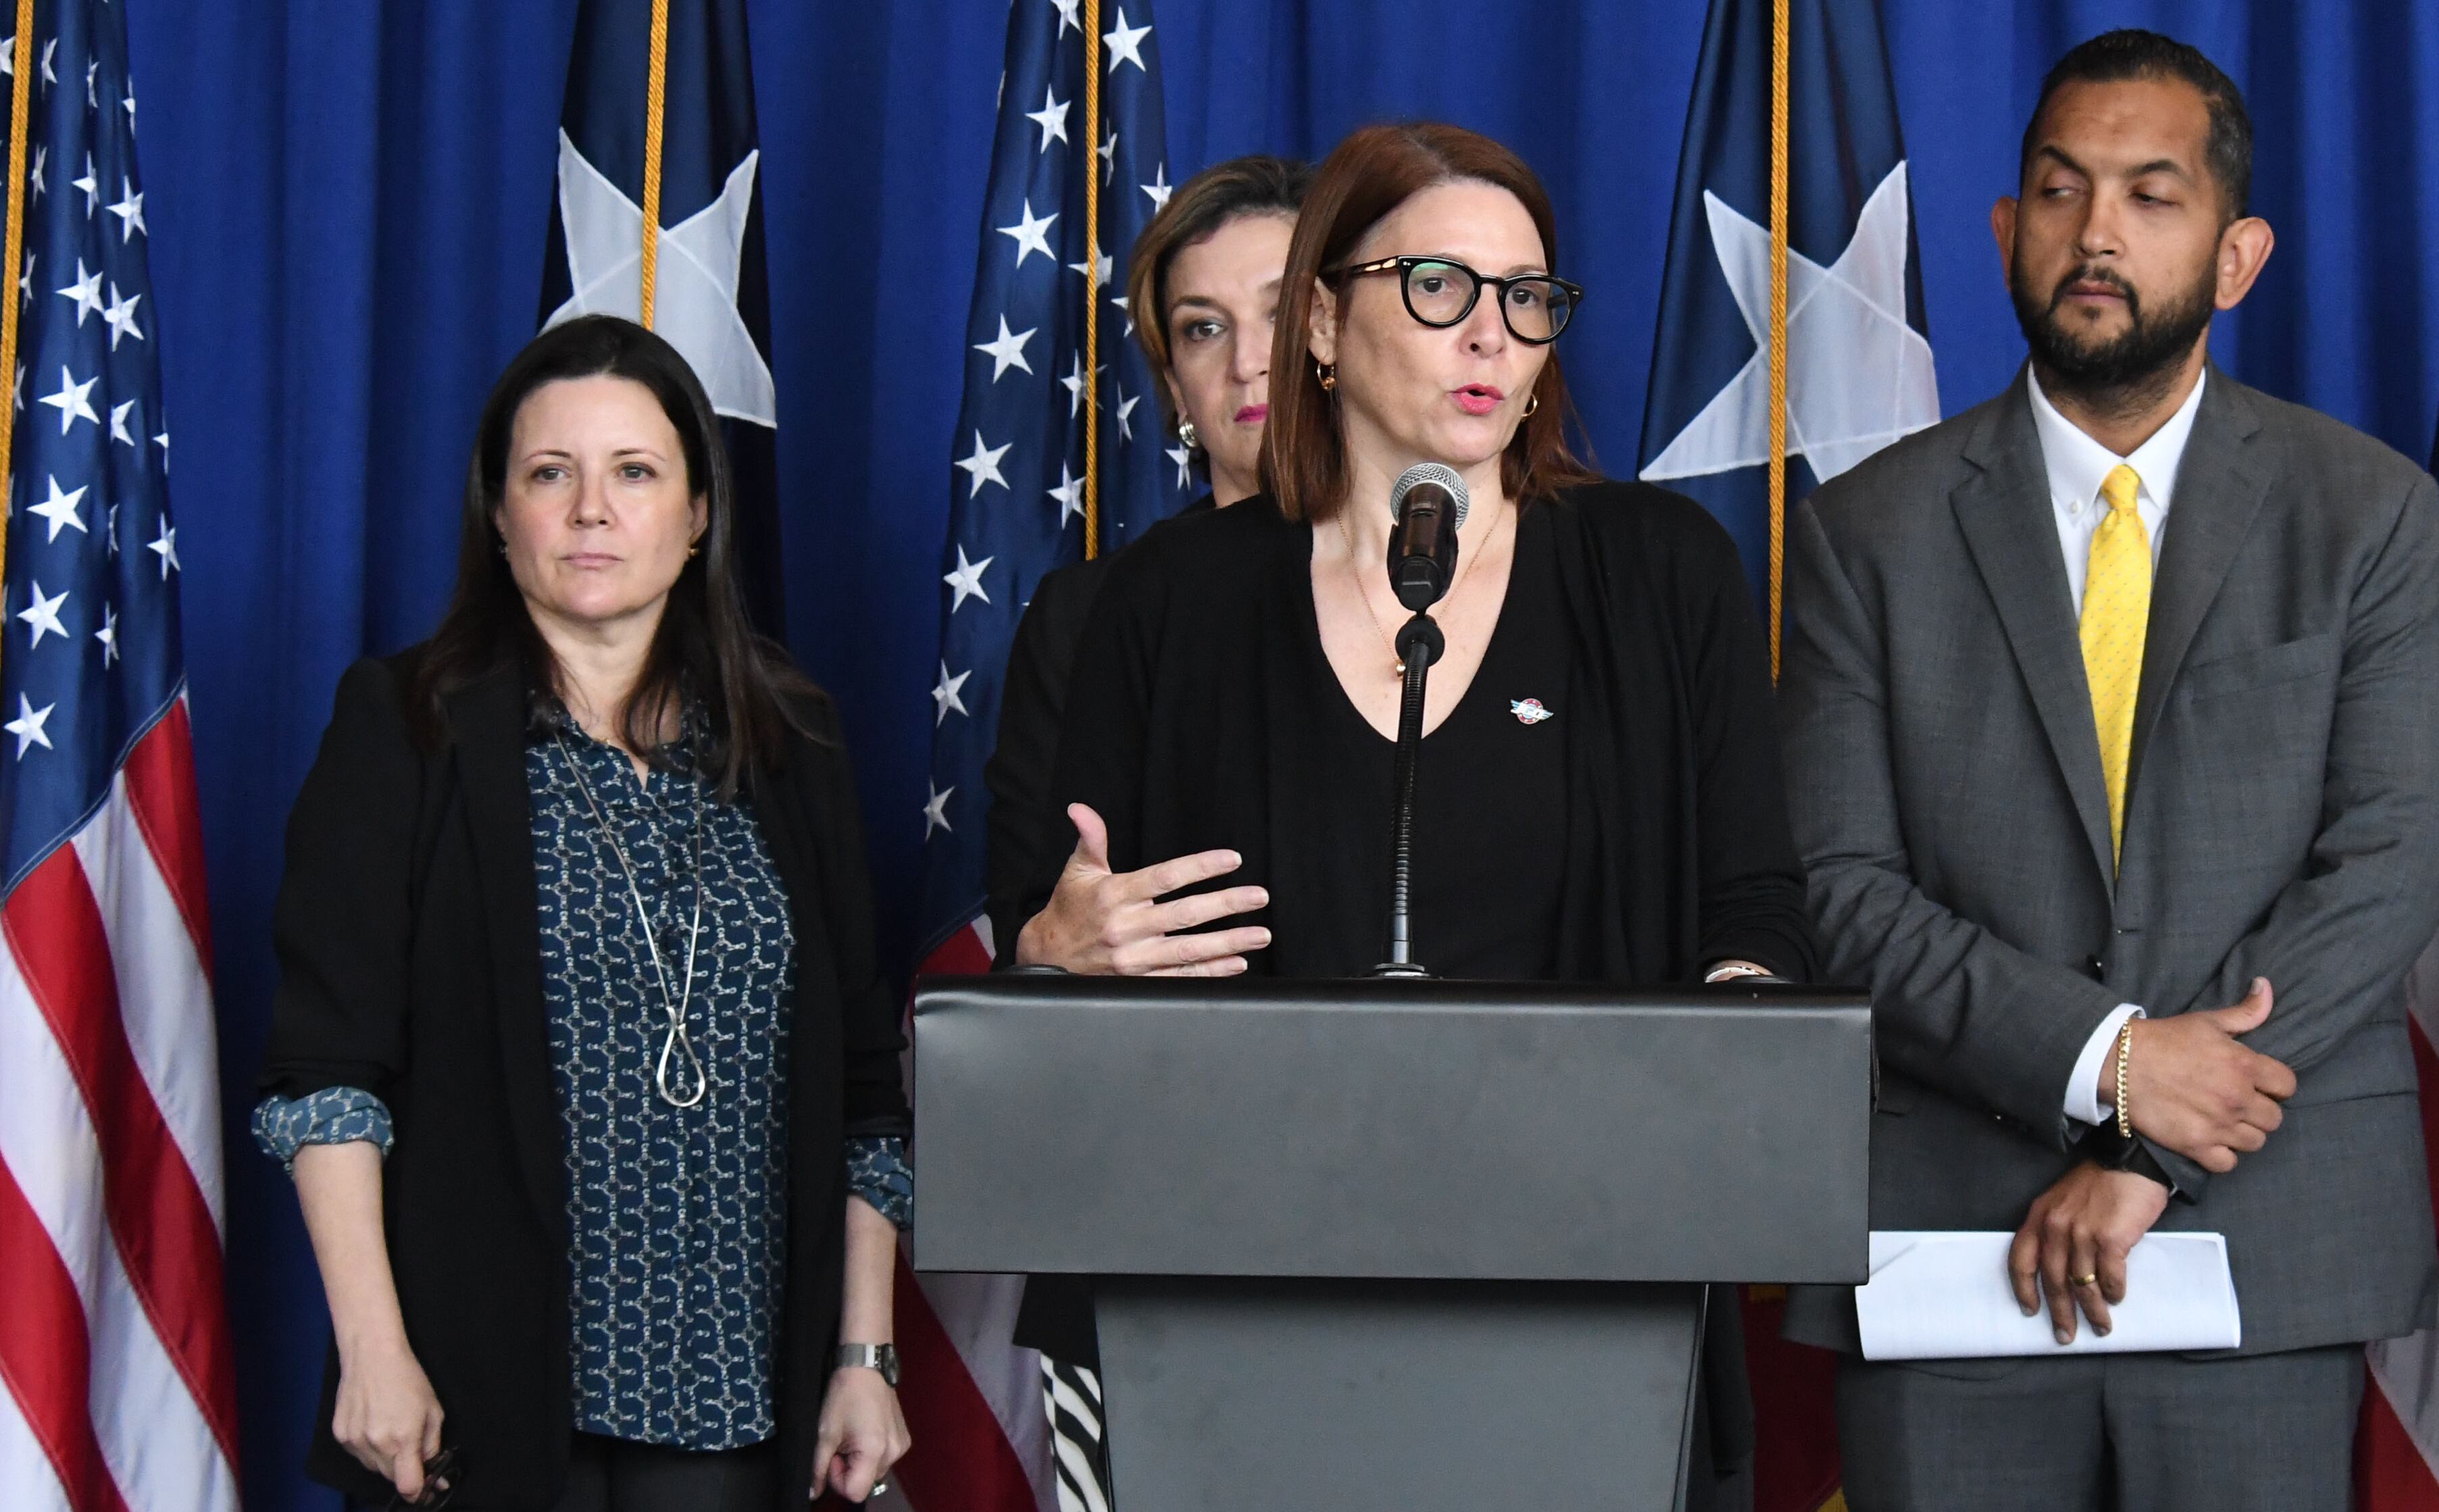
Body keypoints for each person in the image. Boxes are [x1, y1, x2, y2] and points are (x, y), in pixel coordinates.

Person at [1001, 119, 1817, 1506]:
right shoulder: (1162, 605)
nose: (1490, 334)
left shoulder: (1659, 574)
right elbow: (1055, 971)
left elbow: (1752, 906)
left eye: (1527, 298)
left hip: (1583, 1300)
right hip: (1227, 1313)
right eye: (1438, 288)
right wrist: (1050, 956)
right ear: (1322, 318)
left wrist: (1737, 1032)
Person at [1776, 29, 2439, 1511]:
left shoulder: (2366, 514)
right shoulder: (1864, 534)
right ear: (2000, 230)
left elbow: (2394, 854)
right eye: (2058, 189)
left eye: (2152, 196)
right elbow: (1840, 888)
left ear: (2236, 255)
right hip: (1951, 1250)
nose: (2095, 232)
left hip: (2258, 1244)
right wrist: (2107, 1061)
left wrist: (2152, 1135)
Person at [254, 317, 911, 1512]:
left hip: (740, 1394)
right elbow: (327, 1073)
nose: (591, 510)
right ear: (499, 516)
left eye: (636, 471)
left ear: (700, 511)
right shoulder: (406, 725)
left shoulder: (793, 742)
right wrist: (371, 1347)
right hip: (473, 1389)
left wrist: (866, 1356)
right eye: (551, 474)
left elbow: (869, 1091)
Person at [981, 154, 1314, 964]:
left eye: (1282, 314)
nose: (1247, 362)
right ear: (1172, 382)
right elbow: (1030, 928)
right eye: (1204, 327)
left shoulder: (1441, 574)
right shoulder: (1088, 612)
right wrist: (1058, 945)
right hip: (1180, 1066)